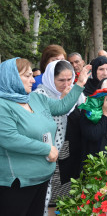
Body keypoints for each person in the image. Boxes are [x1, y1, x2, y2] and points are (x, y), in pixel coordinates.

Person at [0, 57, 90, 216]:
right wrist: (46, 149)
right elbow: (9, 138)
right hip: (18, 183)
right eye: (27, 76)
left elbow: (63, 106)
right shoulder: (3, 105)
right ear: (11, 77)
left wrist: (80, 83)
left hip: (41, 179)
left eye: (31, 75)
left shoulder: (35, 98)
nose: (33, 80)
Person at [33, 60, 86, 215]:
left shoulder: (76, 93)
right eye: (61, 80)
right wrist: (63, 101)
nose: (66, 84)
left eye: (69, 79)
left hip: (67, 150)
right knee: (43, 193)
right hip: (44, 151)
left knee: (63, 195)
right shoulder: (40, 95)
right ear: (50, 78)